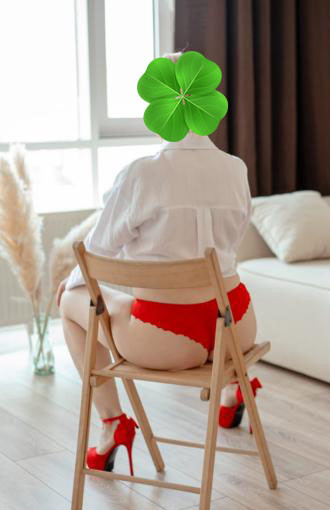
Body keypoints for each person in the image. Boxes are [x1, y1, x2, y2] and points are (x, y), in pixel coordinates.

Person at [57, 53, 262, 474]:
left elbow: (96, 254)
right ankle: (232, 383)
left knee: (71, 299)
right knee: (213, 299)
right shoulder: (236, 168)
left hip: (166, 339)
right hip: (235, 325)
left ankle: (112, 425)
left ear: (159, 108)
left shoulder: (141, 175)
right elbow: (233, 240)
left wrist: (72, 283)